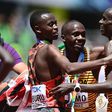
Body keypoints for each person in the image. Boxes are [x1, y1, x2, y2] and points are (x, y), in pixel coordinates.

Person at [2, 10, 112, 112]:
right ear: (38, 29)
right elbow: (69, 68)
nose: (55, 27)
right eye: (51, 25)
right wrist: (105, 60)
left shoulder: (33, 50)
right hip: (51, 107)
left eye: (55, 23)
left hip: (39, 107)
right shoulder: (49, 48)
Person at [50, 7, 112, 111]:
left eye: (83, 35)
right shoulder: (56, 58)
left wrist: (75, 86)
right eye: (75, 35)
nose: (80, 38)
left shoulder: (94, 54)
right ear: (63, 37)